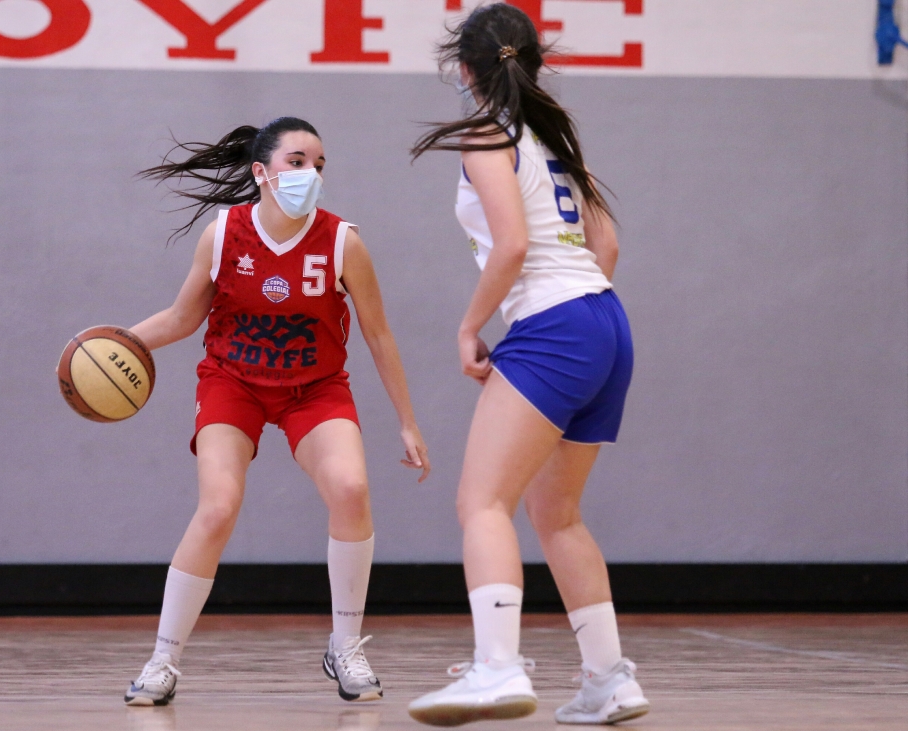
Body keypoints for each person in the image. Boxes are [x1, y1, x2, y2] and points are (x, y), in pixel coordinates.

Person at [123, 117, 431, 706]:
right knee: (218, 507)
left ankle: (345, 647)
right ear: (261, 172)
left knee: (351, 489)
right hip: (233, 382)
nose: (310, 173)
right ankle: (162, 660)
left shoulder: (343, 241)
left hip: (313, 387)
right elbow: (183, 318)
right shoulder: (223, 234)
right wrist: (113, 341)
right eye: (296, 161)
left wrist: (408, 421)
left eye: (319, 164)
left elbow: (379, 334)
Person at [406, 4, 648, 727]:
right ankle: (609, 679)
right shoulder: (555, 133)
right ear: (533, 62)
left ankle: (497, 667)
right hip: (606, 319)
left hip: (555, 322)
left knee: (481, 502)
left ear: (464, 69)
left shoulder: (487, 134)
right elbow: (607, 246)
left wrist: (469, 326)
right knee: (556, 513)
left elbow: (511, 245)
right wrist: (576, 315)